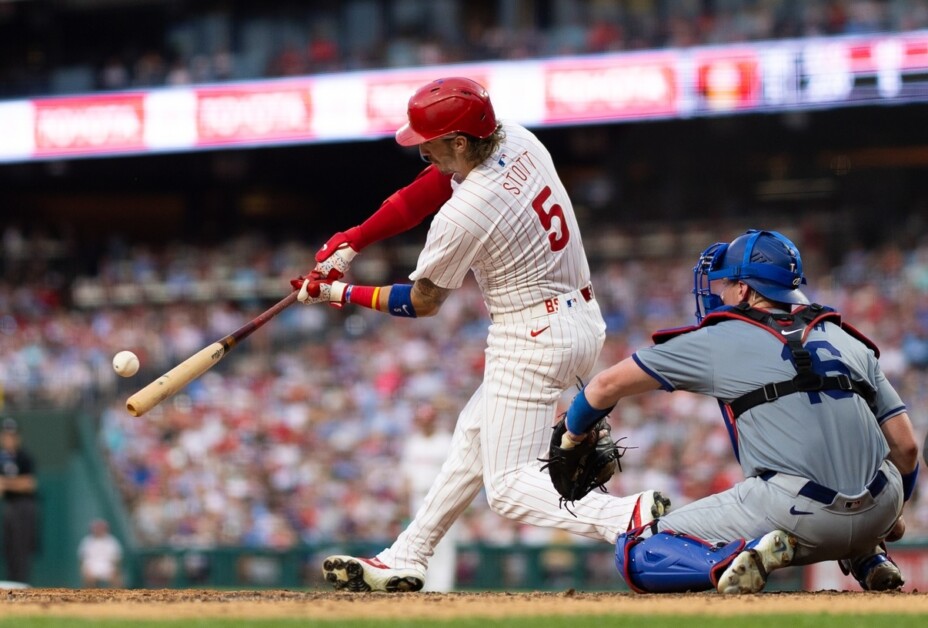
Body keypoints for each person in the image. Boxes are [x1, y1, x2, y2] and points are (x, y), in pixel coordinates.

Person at [292, 76, 669, 592]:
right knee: (473, 439)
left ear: (461, 142)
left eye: (431, 142)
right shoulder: (516, 137)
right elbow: (426, 189)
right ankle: (408, 555)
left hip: (532, 333)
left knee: (509, 486)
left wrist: (339, 295)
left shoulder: (468, 211)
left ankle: (623, 516)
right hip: (579, 318)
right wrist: (354, 239)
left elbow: (422, 302)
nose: (421, 149)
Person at [562, 229, 921, 594]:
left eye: (725, 283)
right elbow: (907, 449)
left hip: (794, 514)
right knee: (851, 488)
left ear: (746, 290)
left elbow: (606, 386)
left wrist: (572, 435)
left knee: (636, 549)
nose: (718, 292)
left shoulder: (719, 339)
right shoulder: (849, 339)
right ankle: (868, 554)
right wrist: (890, 515)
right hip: (880, 503)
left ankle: (738, 559)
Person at [400, 403, 457, 592]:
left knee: (443, 543)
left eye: (428, 420)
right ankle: (422, 585)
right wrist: (405, 502)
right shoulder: (413, 442)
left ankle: (442, 587)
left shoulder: (446, 441)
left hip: (442, 499)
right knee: (419, 541)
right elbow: (407, 475)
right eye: (421, 421)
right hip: (418, 497)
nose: (424, 424)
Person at [0, 418, 39, 585]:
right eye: (6, 435)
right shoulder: (1, 457)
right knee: (9, 549)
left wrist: (6, 483)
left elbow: (30, 484)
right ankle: (11, 586)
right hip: (8, 507)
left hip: (24, 506)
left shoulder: (24, 457)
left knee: (21, 549)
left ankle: (20, 585)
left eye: (12, 435)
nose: (9, 439)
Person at [77, 518, 123, 588]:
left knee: (117, 579)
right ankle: (89, 598)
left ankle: (115, 598)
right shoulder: (87, 541)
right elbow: (82, 558)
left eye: (101, 528)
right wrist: (85, 569)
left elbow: (116, 558)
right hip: (91, 566)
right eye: (97, 528)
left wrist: (115, 569)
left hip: (107, 566)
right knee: (88, 578)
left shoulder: (112, 541)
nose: (99, 530)